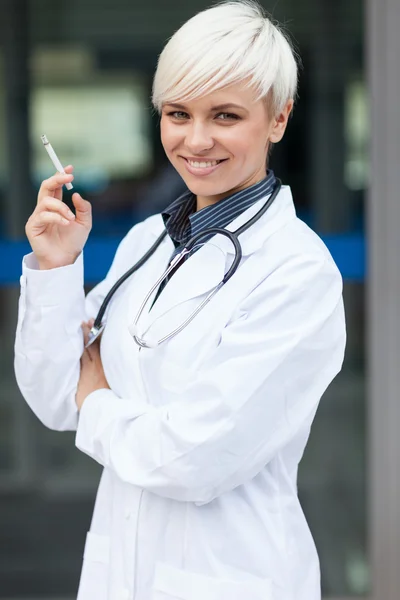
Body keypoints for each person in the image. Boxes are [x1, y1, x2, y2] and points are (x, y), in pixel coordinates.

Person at [14, 2, 346, 599]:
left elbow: (195, 460)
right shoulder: (148, 242)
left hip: (233, 578)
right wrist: (57, 268)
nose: (196, 140)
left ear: (279, 118)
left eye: (225, 115)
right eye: (177, 113)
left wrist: (99, 401)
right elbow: (56, 398)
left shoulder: (298, 271)